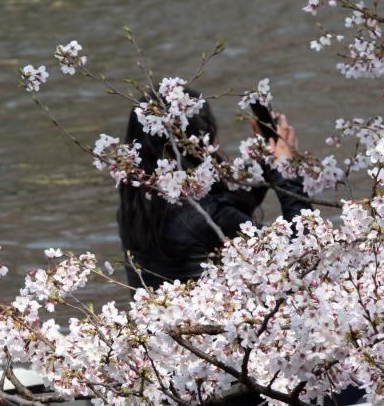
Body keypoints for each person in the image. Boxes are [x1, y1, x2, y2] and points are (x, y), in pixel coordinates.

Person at [116, 90, 307, 291]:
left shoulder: (136, 207)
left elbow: (232, 201)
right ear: (197, 142)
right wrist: (288, 171)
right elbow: (301, 253)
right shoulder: (208, 215)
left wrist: (264, 156)